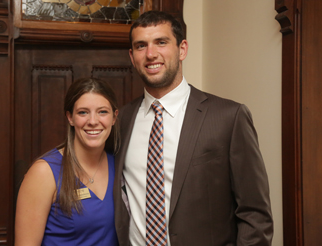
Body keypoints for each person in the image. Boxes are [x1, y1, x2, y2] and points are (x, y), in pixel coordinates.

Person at [113, 10, 273, 246]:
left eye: (161, 42)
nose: (150, 54)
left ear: (182, 49)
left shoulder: (228, 117)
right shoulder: (122, 119)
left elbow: (255, 214)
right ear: (131, 55)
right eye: (140, 46)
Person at [15, 78, 120, 245]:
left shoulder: (120, 165)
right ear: (70, 117)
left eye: (102, 112)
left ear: (114, 118)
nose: (93, 121)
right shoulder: (44, 172)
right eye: (83, 112)